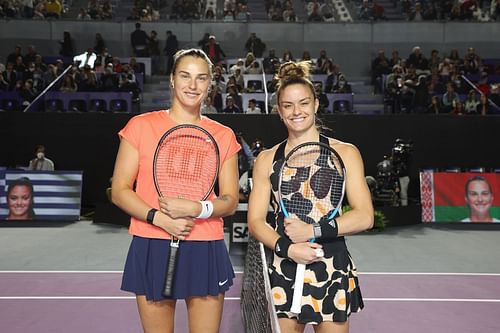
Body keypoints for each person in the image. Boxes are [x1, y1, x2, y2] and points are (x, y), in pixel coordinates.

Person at [111, 48, 241, 333]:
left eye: (201, 78)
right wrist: (160, 218)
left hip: (205, 244)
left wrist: (198, 209)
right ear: (172, 79)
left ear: (210, 85)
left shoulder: (223, 135)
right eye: (185, 76)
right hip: (151, 241)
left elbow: (230, 200)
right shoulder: (140, 126)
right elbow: (119, 190)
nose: (193, 86)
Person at [247, 61, 373, 332]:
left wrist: (313, 230)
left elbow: (365, 216)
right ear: (279, 111)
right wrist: (289, 248)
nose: (297, 112)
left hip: (332, 267)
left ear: (316, 105)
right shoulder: (267, 159)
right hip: (284, 265)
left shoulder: (346, 154)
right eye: (288, 105)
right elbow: (256, 222)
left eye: (304, 103)